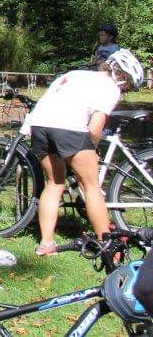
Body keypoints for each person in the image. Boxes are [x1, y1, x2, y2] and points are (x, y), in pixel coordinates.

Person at [20, 49, 143, 256]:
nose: (126, 90)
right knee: (91, 187)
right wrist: (92, 149)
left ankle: (46, 244)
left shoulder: (74, 75)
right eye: (128, 85)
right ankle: (108, 245)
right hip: (69, 128)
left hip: (39, 125)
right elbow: (95, 129)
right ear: (122, 76)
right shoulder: (109, 88)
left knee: (54, 183)